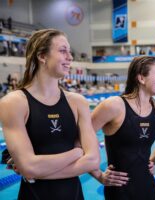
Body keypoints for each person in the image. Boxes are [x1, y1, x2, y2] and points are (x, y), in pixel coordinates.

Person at [0, 29, 100, 200]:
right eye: (63, 51)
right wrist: (76, 153)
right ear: (42, 56)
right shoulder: (14, 103)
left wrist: (39, 170)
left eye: (70, 51)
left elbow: (93, 160)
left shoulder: (78, 102)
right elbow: (29, 167)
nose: (70, 57)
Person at [91, 55, 155, 200]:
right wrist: (98, 175)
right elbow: (79, 141)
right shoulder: (114, 106)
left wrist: (153, 161)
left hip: (149, 189)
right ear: (141, 78)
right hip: (120, 192)